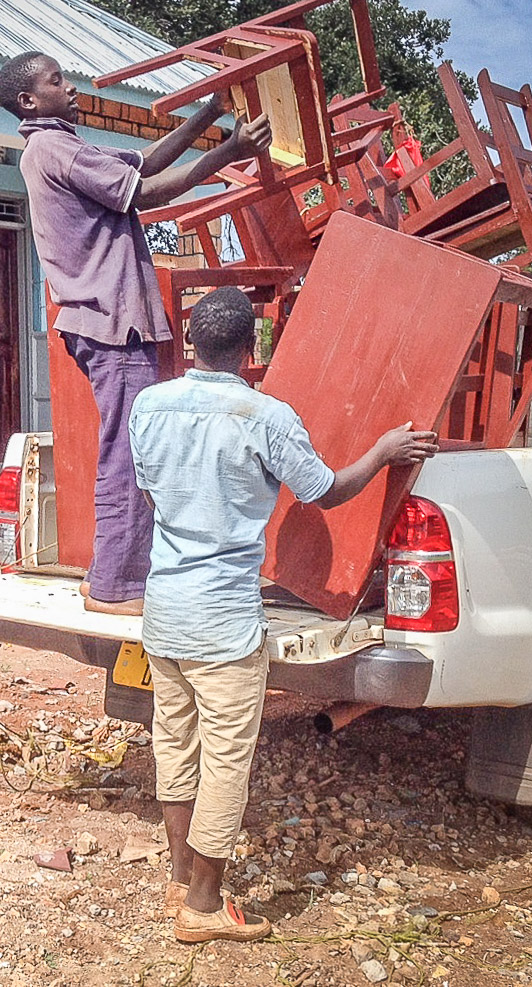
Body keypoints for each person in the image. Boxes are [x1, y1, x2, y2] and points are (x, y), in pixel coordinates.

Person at [128, 286, 439, 943]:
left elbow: (151, 493)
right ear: (252, 348)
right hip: (223, 621)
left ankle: (180, 880)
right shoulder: (265, 416)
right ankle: (203, 907)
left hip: (165, 612)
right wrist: (383, 452)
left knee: (175, 746)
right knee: (225, 763)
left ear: (190, 341)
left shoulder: (148, 406)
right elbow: (325, 490)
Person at [0, 51, 272, 616]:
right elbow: (147, 193)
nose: (71, 87)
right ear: (29, 101)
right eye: (57, 81)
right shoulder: (54, 149)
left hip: (104, 322)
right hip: (112, 324)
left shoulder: (62, 146)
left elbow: (144, 164)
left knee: (126, 452)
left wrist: (209, 112)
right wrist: (230, 151)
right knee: (129, 457)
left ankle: (109, 575)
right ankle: (117, 587)